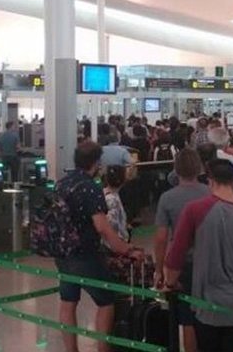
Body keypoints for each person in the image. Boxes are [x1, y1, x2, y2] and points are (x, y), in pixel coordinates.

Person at [163, 159, 233, 352]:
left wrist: (170, 283)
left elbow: (176, 254)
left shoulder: (195, 210)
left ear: (210, 181)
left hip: (207, 307)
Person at [54, 141, 144, 352]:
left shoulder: (61, 183)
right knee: (106, 301)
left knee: (68, 302)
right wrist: (125, 249)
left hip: (62, 252)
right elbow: (102, 226)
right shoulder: (90, 188)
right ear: (96, 164)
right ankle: (103, 348)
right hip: (85, 253)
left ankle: (71, 349)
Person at [153, 149, 210, 352]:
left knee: (187, 319)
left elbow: (161, 238)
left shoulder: (167, 198)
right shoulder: (210, 193)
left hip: (181, 264)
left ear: (175, 170)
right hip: (211, 261)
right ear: (199, 168)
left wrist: (159, 269)